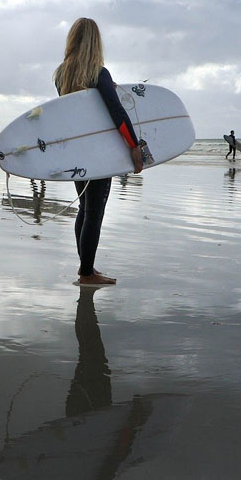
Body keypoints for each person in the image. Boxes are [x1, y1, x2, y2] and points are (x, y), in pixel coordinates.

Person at [53, 18, 143, 286]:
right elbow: (116, 113)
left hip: (76, 152)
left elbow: (80, 111)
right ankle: (87, 272)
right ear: (96, 41)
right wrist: (135, 147)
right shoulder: (98, 73)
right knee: (95, 211)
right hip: (99, 154)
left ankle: (86, 267)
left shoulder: (61, 74)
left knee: (85, 207)